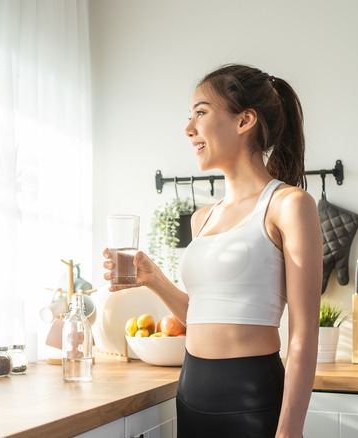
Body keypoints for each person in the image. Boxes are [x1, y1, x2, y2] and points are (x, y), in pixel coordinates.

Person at [103, 64, 321, 438]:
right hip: (192, 393)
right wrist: (153, 279)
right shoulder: (202, 218)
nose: (189, 129)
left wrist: (290, 431)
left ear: (244, 120)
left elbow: (304, 334)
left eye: (201, 113)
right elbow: (203, 316)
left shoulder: (288, 205)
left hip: (252, 396)